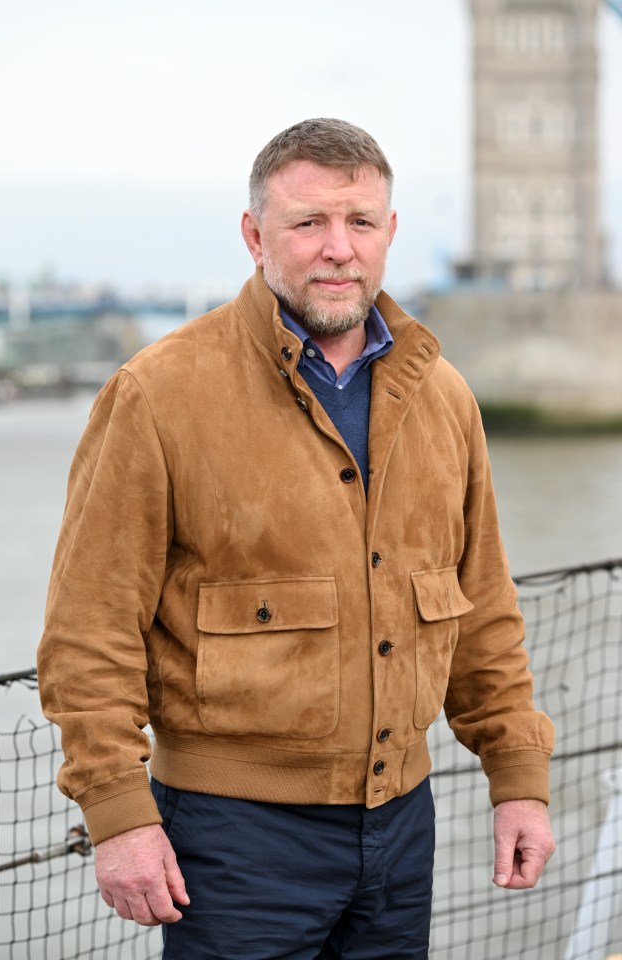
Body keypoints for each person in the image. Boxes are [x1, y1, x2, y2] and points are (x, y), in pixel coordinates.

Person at [38, 118, 555, 959]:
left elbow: (484, 611)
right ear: (255, 236)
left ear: (391, 233)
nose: (337, 249)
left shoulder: (445, 395)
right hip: (234, 839)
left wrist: (519, 781)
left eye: (359, 223)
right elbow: (87, 631)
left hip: (403, 829)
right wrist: (117, 816)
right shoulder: (158, 393)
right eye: (307, 223)